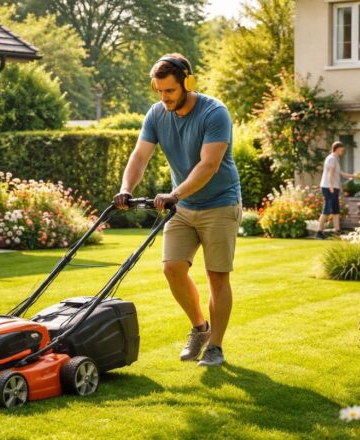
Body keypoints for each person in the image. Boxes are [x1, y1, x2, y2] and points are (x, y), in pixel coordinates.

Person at [113, 53, 242, 367]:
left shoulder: (215, 113)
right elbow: (140, 156)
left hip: (220, 203)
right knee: (172, 268)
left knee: (216, 277)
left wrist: (174, 193)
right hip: (182, 207)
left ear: (188, 82)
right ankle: (200, 328)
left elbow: (208, 165)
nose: (163, 97)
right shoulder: (157, 114)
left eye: (169, 91)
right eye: (158, 91)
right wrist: (126, 188)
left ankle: (215, 347)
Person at [316, 141, 355, 239]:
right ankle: (319, 232)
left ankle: (337, 230)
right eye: (342, 150)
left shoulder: (335, 159)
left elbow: (339, 173)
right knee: (327, 209)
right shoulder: (331, 159)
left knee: (336, 210)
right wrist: (331, 187)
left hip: (333, 187)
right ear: (337, 149)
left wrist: (351, 176)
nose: (343, 152)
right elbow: (331, 173)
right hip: (328, 187)